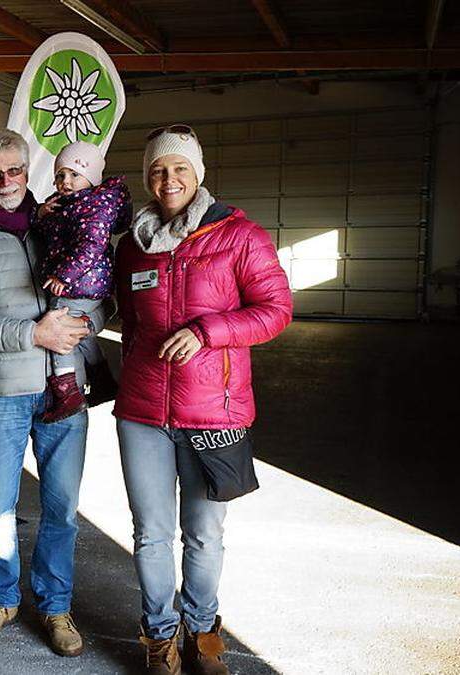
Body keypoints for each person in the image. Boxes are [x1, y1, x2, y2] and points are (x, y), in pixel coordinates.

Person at [113, 125, 292, 675]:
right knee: (151, 534)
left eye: (179, 169)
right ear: (148, 178)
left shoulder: (240, 237)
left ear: (199, 175)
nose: (169, 180)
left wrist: (210, 331)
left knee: (205, 533)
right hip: (143, 410)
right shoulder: (134, 245)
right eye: (158, 170)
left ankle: (203, 632)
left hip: (213, 410)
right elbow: (125, 317)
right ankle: (160, 636)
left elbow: (277, 309)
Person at [0, 128, 94, 658]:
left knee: (61, 509)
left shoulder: (67, 219)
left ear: (27, 170)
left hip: (65, 389)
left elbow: (99, 292)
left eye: (14, 170)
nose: (6, 182)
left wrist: (77, 324)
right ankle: (2, 598)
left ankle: (55, 606)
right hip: (2, 393)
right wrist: (34, 333)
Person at [34, 140, 132, 422]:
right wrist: (40, 213)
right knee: (80, 336)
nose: (66, 181)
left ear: (92, 178)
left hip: (76, 283)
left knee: (61, 334)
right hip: (85, 284)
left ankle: (67, 396)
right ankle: (102, 381)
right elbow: (48, 228)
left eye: (74, 174)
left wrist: (63, 275)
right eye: (60, 175)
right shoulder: (72, 204)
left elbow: (91, 245)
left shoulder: (94, 207)